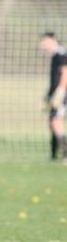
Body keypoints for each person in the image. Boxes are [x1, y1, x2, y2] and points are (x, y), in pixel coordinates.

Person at [39, 32, 67, 161]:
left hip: (62, 95)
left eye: (45, 41)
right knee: (52, 122)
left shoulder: (62, 55)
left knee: (56, 121)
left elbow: (65, 74)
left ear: (53, 40)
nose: (43, 45)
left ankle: (65, 153)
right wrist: (48, 95)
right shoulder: (55, 55)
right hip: (55, 95)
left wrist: (60, 92)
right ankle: (53, 155)